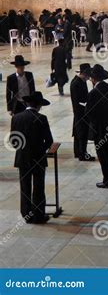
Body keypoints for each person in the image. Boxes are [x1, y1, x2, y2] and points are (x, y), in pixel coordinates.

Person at [10, 91, 53, 224]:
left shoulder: (16, 118)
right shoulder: (42, 118)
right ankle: (39, 215)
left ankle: (27, 214)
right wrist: (40, 149)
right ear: (39, 105)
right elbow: (49, 141)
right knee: (38, 187)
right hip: (38, 158)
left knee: (25, 187)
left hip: (22, 158)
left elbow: (14, 141)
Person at [70, 63, 94, 162]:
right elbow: (77, 102)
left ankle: (78, 152)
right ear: (84, 73)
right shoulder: (76, 83)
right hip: (80, 113)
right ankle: (82, 154)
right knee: (82, 134)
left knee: (77, 133)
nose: (89, 77)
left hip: (81, 112)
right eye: (88, 75)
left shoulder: (81, 81)